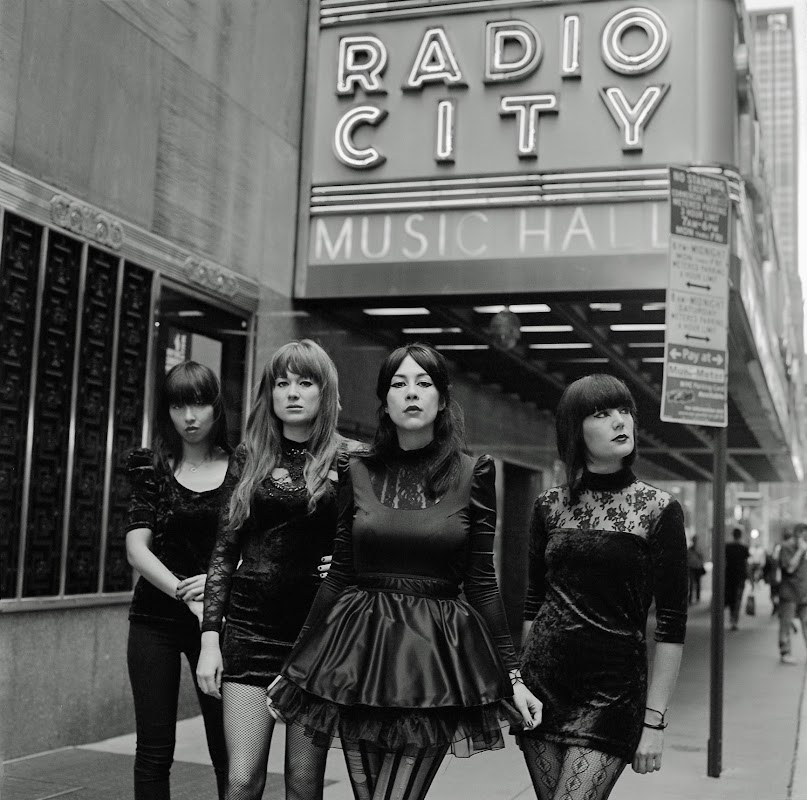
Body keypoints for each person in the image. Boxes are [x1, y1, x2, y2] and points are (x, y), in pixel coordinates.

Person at [267, 342, 543, 800]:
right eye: (399, 384)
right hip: (358, 652)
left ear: (442, 399)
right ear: (385, 401)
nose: (411, 392)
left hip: (433, 658)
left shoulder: (473, 472)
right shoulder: (355, 468)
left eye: (424, 383)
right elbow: (339, 573)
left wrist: (513, 676)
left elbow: (481, 582)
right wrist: (297, 662)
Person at [196, 340, 359, 800]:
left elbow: (372, 535)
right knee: (242, 779)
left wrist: (347, 562)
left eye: (305, 383)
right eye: (282, 383)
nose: (292, 392)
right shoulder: (249, 457)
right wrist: (209, 639)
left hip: (316, 638)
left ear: (325, 392)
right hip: (249, 631)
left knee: (303, 784)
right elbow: (224, 552)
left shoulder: (348, 460)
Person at [519, 374, 687, 800]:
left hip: (612, 693)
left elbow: (671, 624)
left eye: (624, 410)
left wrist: (654, 721)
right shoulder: (548, 506)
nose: (619, 421)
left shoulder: (658, 509)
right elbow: (534, 601)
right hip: (544, 686)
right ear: (575, 430)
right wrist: (521, 684)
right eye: (602, 413)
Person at [125, 361, 232, 800]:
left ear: (216, 407)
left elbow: (253, 545)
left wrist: (216, 583)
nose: (189, 417)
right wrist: (185, 593)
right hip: (155, 621)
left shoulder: (242, 466)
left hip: (223, 623)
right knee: (153, 752)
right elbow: (136, 548)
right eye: (177, 405)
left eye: (199, 403)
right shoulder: (152, 467)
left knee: (230, 753)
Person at [778, 524, 807, 665]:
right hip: (789, 592)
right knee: (786, 623)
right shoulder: (786, 547)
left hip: (803, 592)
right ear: (798, 534)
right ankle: (785, 652)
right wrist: (800, 551)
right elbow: (789, 568)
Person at [725, 528, 750, 631]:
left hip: (729, 576)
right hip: (740, 577)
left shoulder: (727, 547)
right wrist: (751, 579)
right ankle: (734, 619)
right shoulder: (743, 548)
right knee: (737, 599)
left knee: (731, 597)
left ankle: (732, 617)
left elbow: (724, 562)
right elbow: (746, 564)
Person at [687, 535, 706, 605]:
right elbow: (688, 558)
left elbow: (702, 557)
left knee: (697, 583)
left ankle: (697, 597)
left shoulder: (699, 549)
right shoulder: (690, 549)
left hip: (697, 567)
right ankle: (690, 598)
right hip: (692, 567)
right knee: (691, 584)